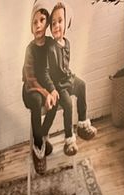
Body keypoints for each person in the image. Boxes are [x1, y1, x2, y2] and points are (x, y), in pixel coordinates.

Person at [39, 1, 97, 157]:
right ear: (49, 27)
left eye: (60, 21)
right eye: (53, 23)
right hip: (58, 85)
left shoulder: (67, 43)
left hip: (68, 78)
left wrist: (71, 78)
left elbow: (65, 66)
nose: (57, 26)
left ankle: (83, 124)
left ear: (66, 22)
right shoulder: (49, 45)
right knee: (68, 104)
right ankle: (69, 139)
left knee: (82, 85)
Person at [22, 1, 56, 174]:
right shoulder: (30, 49)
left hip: (45, 86)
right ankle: (38, 148)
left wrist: (53, 91)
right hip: (30, 89)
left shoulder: (51, 44)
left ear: (47, 23)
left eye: (42, 20)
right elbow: (31, 78)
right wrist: (45, 93)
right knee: (36, 101)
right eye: (34, 22)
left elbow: (53, 71)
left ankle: (41, 135)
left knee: (57, 99)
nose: (38, 25)